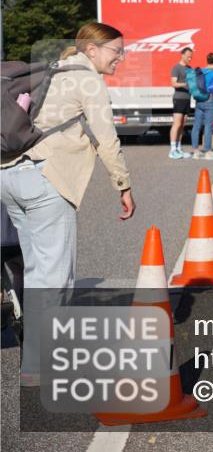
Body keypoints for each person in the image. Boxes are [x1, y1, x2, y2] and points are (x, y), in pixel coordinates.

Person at [1, 22, 137, 384]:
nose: (120, 58)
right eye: (116, 51)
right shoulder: (88, 79)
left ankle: (35, 360)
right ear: (92, 50)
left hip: (11, 175)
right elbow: (107, 138)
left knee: (36, 271)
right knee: (55, 277)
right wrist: (123, 185)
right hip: (47, 179)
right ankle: (41, 366)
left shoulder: (53, 69)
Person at [191, 52, 213, 161]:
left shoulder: (200, 71)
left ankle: (195, 151)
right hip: (209, 99)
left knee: (196, 125)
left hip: (199, 100)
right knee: (208, 126)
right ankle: (207, 151)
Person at [169, 47, 194, 159]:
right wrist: (185, 84)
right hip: (179, 99)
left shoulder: (190, 68)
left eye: (191, 56)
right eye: (188, 56)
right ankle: (172, 149)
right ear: (182, 55)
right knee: (177, 124)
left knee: (183, 125)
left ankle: (179, 148)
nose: (190, 58)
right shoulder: (176, 68)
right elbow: (173, 83)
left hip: (187, 99)